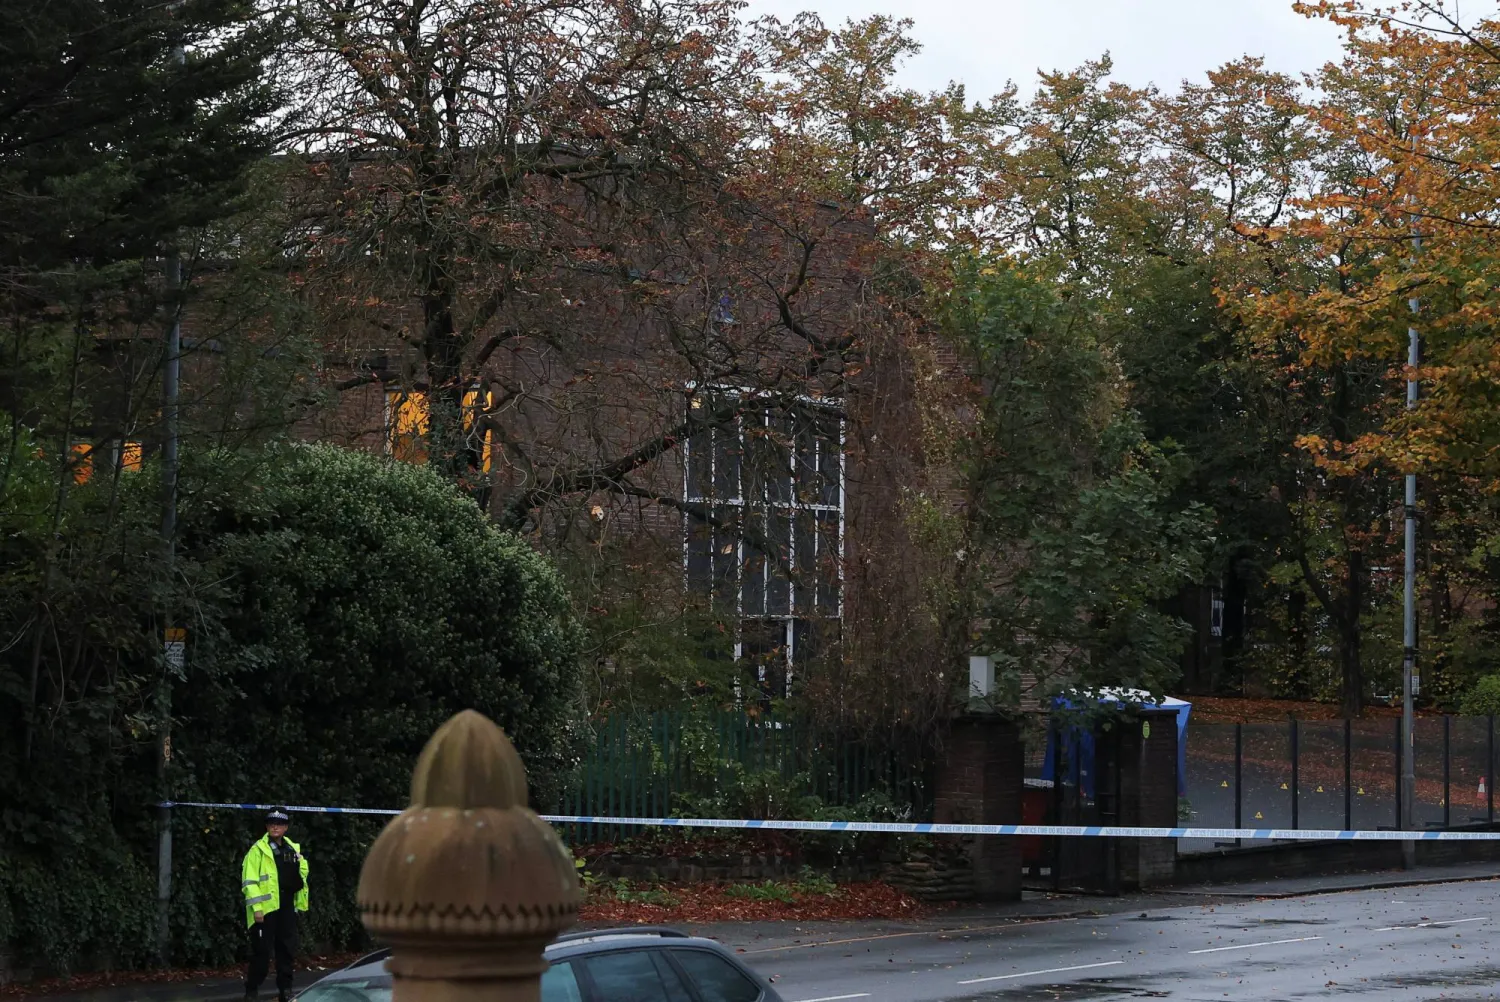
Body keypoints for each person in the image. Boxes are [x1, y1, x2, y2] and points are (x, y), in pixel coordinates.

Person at [242, 807, 309, 1002]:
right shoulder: (257, 850)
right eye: (271, 823)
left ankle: (285, 991)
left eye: (279, 823)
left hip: (287, 907)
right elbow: (249, 882)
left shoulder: (293, 849)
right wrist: (257, 909)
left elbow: (303, 873)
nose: (275, 826)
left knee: (286, 951)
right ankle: (252, 990)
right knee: (261, 954)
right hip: (265, 910)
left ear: (286, 827)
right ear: (266, 826)